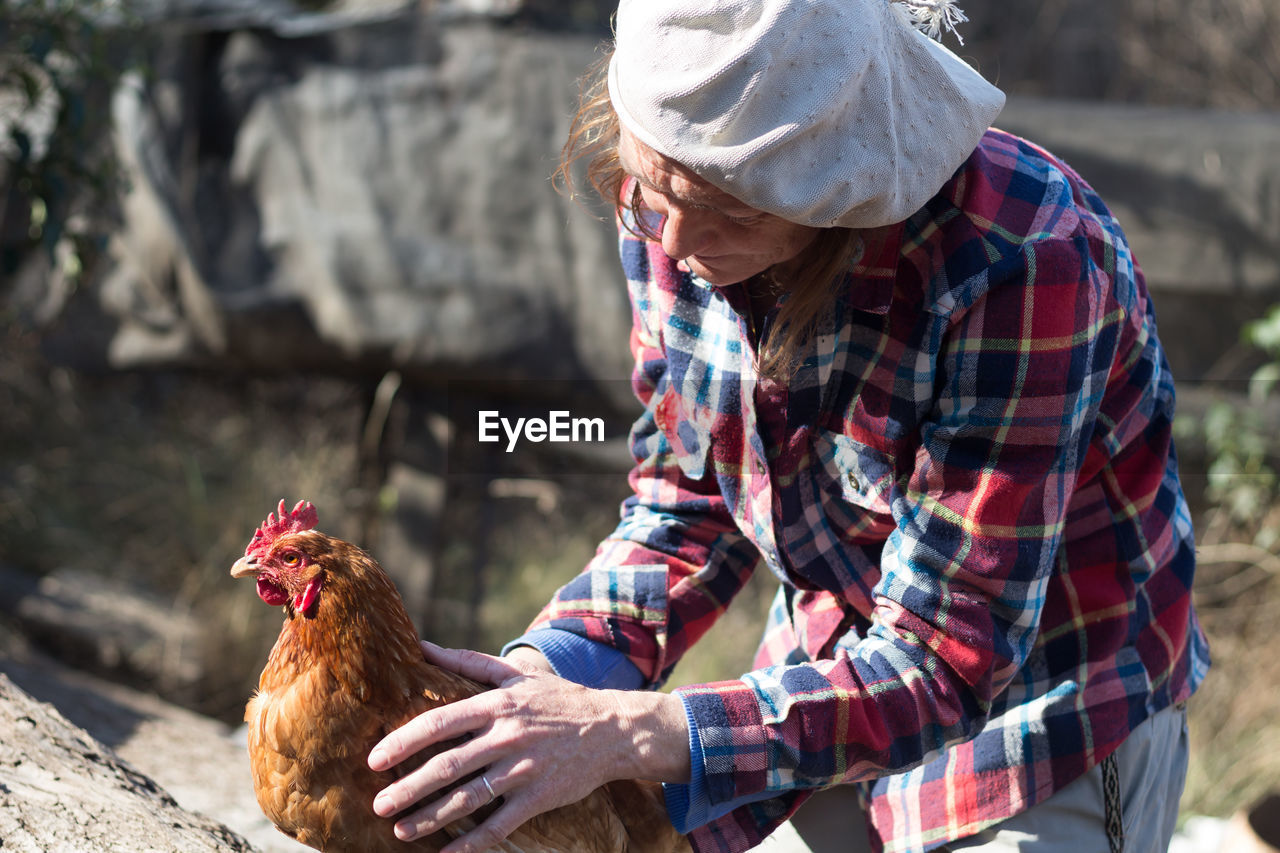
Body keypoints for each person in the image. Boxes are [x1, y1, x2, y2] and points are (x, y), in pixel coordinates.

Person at [366, 0, 1210, 851]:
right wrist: (547, 676)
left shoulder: (1022, 264)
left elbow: (948, 657)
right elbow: (686, 502)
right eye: (654, 186)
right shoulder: (669, 216)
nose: (678, 241)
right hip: (831, 660)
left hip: (1046, 703)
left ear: (839, 187)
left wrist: (623, 732)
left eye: (735, 209)